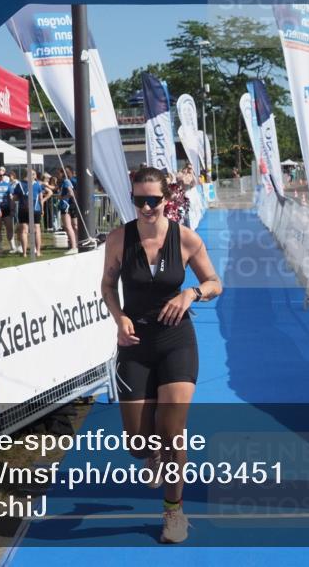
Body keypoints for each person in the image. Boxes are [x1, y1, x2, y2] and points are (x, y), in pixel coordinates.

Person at [100, 167, 223, 544]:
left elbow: (214, 283)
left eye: (154, 200)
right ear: (133, 199)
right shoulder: (120, 239)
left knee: (173, 435)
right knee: (138, 443)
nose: (148, 207)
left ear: (167, 198)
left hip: (176, 342)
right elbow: (107, 284)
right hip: (135, 345)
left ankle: (174, 513)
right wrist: (119, 317)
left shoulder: (185, 239)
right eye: (140, 201)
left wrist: (191, 294)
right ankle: (149, 451)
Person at [12, 170, 51, 257]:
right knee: (36, 230)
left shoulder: (20, 184)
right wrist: (42, 209)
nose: (35, 176)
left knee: (24, 231)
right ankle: (38, 251)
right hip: (35, 209)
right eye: (34, 174)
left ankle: (25, 253)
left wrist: (20, 198)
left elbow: (15, 198)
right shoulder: (37, 185)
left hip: (23, 209)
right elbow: (41, 198)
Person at [56, 168, 79, 254]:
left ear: (63, 173)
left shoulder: (66, 182)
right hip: (69, 205)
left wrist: (61, 197)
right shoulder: (66, 181)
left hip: (66, 206)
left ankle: (73, 246)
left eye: (58, 173)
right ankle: (75, 245)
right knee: (74, 226)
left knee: (68, 226)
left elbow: (71, 193)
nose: (57, 175)